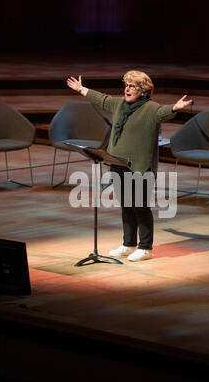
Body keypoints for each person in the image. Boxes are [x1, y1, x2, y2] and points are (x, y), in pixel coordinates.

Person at [67, 71, 192, 262]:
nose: (127, 89)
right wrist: (81, 89)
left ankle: (145, 247)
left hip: (141, 167)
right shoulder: (119, 105)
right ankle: (128, 244)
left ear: (143, 91)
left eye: (133, 86)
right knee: (126, 206)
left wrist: (175, 107)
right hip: (117, 162)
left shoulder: (151, 108)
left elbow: (163, 113)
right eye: (126, 85)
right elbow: (101, 99)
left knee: (140, 207)